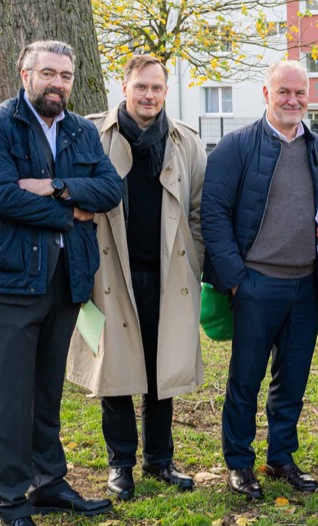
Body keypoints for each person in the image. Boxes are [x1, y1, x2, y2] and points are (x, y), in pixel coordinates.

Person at [0, 40, 123, 526]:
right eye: (48, 73)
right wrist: (71, 210)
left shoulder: (80, 131)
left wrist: (52, 185)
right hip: (7, 282)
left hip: (65, 280)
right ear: (25, 73)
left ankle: (48, 483)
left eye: (66, 76)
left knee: (47, 390)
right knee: (10, 397)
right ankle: (12, 504)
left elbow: (110, 190)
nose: (58, 83)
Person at [66, 55, 206, 500]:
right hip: (110, 273)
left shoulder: (187, 141)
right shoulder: (92, 135)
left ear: (165, 91)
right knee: (116, 370)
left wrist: (194, 262)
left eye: (157, 88)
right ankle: (120, 464)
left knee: (163, 367)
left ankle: (160, 460)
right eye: (141, 86)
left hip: (169, 274)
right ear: (124, 87)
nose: (149, 95)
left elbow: (198, 211)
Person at [201, 60, 318, 499]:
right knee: (245, 379)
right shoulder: (235, 147)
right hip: (256, 283)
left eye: (300, 93)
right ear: (267, 94)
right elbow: (213, 215)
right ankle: (240, 463)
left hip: (305, 284)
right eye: (284, 92)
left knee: (292, 379)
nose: (292, 100)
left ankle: (281, 457)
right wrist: (236, 280)